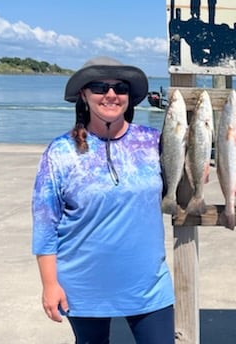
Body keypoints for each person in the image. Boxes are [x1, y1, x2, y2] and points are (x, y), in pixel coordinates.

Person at [31, 56, 175, 343]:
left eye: (120, 88)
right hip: (83, 286)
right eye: (99, 86)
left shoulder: (154, 142)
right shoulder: (61, 151)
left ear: (129, 98)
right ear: (84, 94)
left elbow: (181, 181)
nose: (111, 94)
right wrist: (50, 284)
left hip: (148, 283)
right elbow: (46, 225)